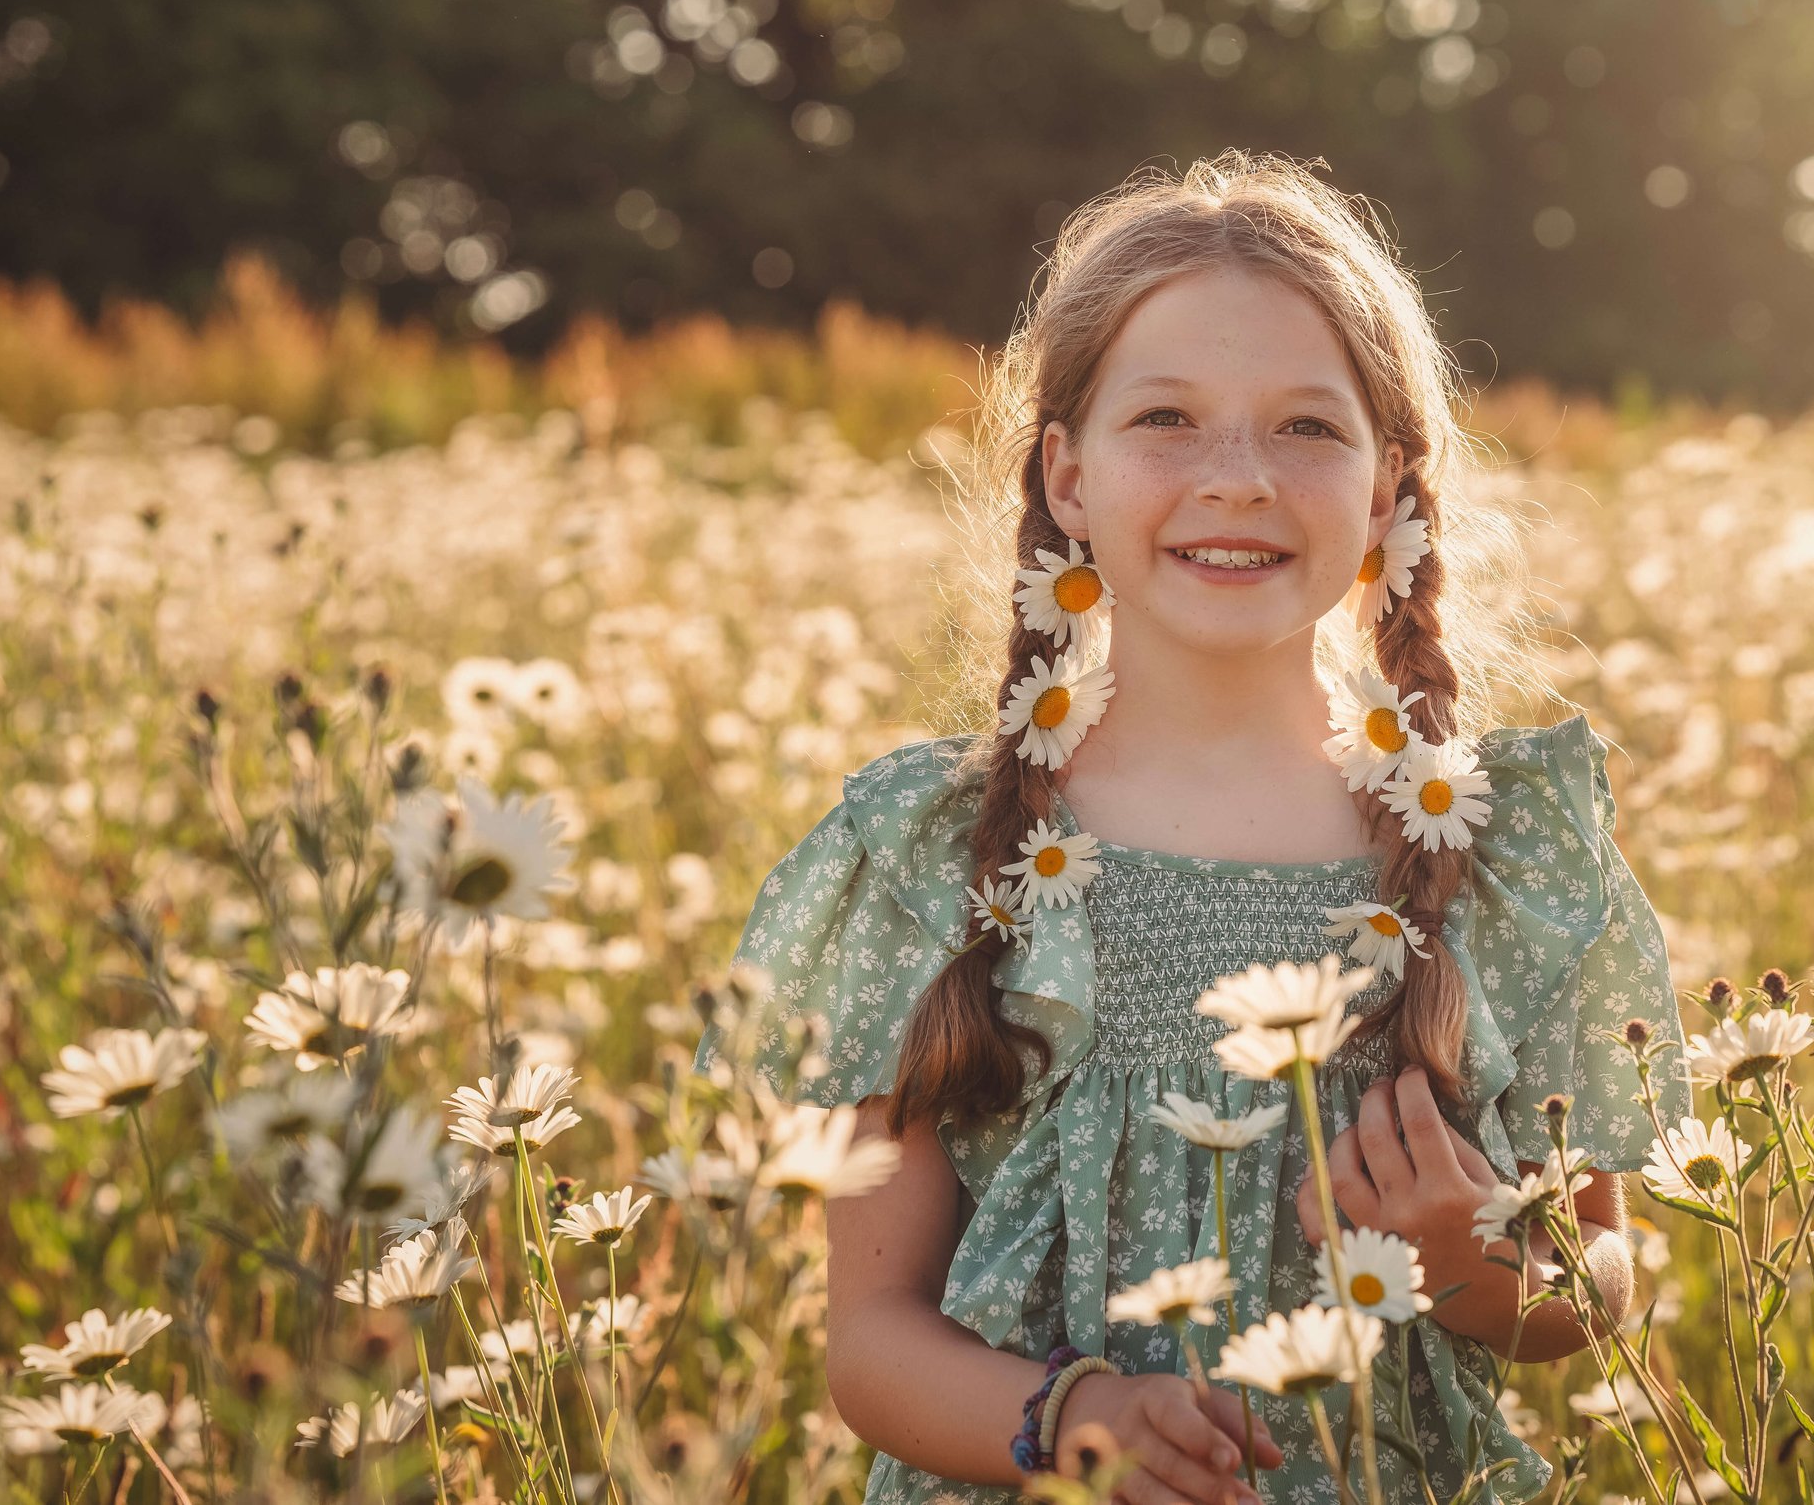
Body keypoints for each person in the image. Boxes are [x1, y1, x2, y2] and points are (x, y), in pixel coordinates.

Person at [694, 150, 1692, 1505]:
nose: (1236, 478)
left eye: (1307, 428)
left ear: (1392, 482)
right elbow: (870, 1344)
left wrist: (1476, 1254)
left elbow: (1597, 1287)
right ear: (1067, 475)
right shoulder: (937, 860)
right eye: (1166, 418)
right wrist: (1076, 1417)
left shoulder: (1497, 860)